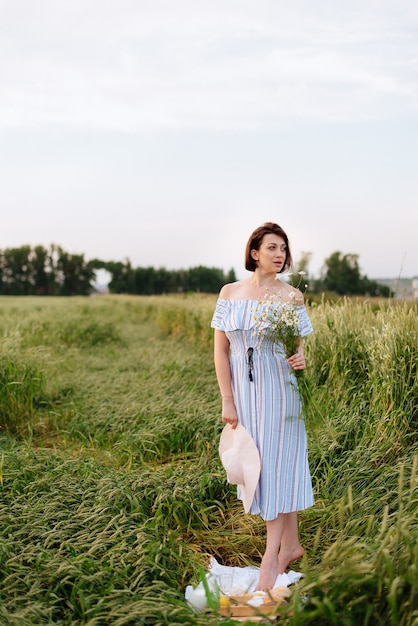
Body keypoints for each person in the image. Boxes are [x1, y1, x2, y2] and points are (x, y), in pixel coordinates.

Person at [211, 222, 314, 591]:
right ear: (254, 252)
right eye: (272, 247)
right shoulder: (230, 292)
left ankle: (270, 560)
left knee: (272, 469)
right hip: (244, 392)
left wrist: (300, 357)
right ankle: (291, 545)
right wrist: (228, 398)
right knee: (259, 465)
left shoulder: (291, 297)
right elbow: (221, 350)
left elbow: (297, 347)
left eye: (284, 248)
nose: (279, 254)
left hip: (280, 391)